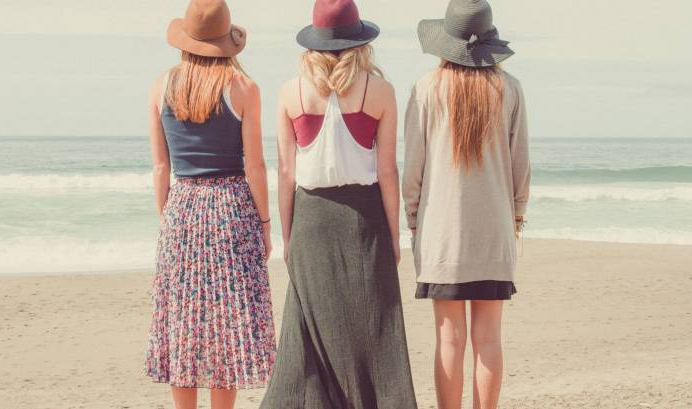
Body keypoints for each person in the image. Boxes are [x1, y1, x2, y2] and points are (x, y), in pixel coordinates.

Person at [259, 0, 418, 408]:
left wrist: (289, 234)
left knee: (308, 331)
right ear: (359, 41)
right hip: (363, 218)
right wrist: (395, 233)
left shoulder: (290, 92)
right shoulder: (378, 90)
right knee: (372, 329)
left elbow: (286, 174)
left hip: (311, 217)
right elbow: (387, 172)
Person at [144, 1, 276, 408]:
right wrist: (265, 221)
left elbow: (161, 166)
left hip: (182, 205)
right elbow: (254, 165)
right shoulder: (243, 89)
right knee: (226, 323)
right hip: (231, 206)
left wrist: (167, 217)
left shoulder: (161, 85)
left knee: (183, 321)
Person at [402, 1, 531, 408]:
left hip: (442, 232)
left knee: (448, 339)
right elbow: (520, 165)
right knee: (489, 338)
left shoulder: (427, 88)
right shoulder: (509, 88)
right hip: (494, 230)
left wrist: (413, 220)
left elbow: (414, 168)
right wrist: (517, 215)